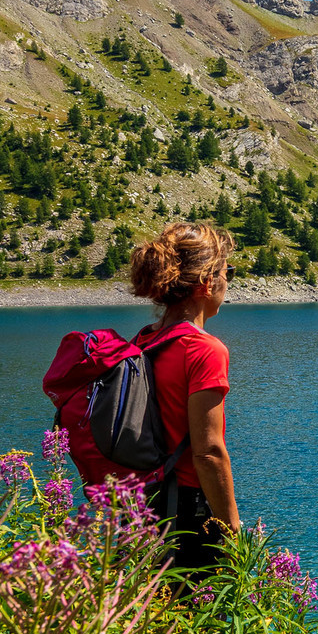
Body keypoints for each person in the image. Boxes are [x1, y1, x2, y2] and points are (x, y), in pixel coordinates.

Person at [128, 219, 241, 569]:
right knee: (201, 620)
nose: (229, 282)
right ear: (206, 283)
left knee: (152, 617)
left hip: (139, 502)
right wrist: (231, 528)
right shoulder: (205, 349)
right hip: (186, 510)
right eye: (228, 272)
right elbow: (208, 453)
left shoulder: (144, 339)